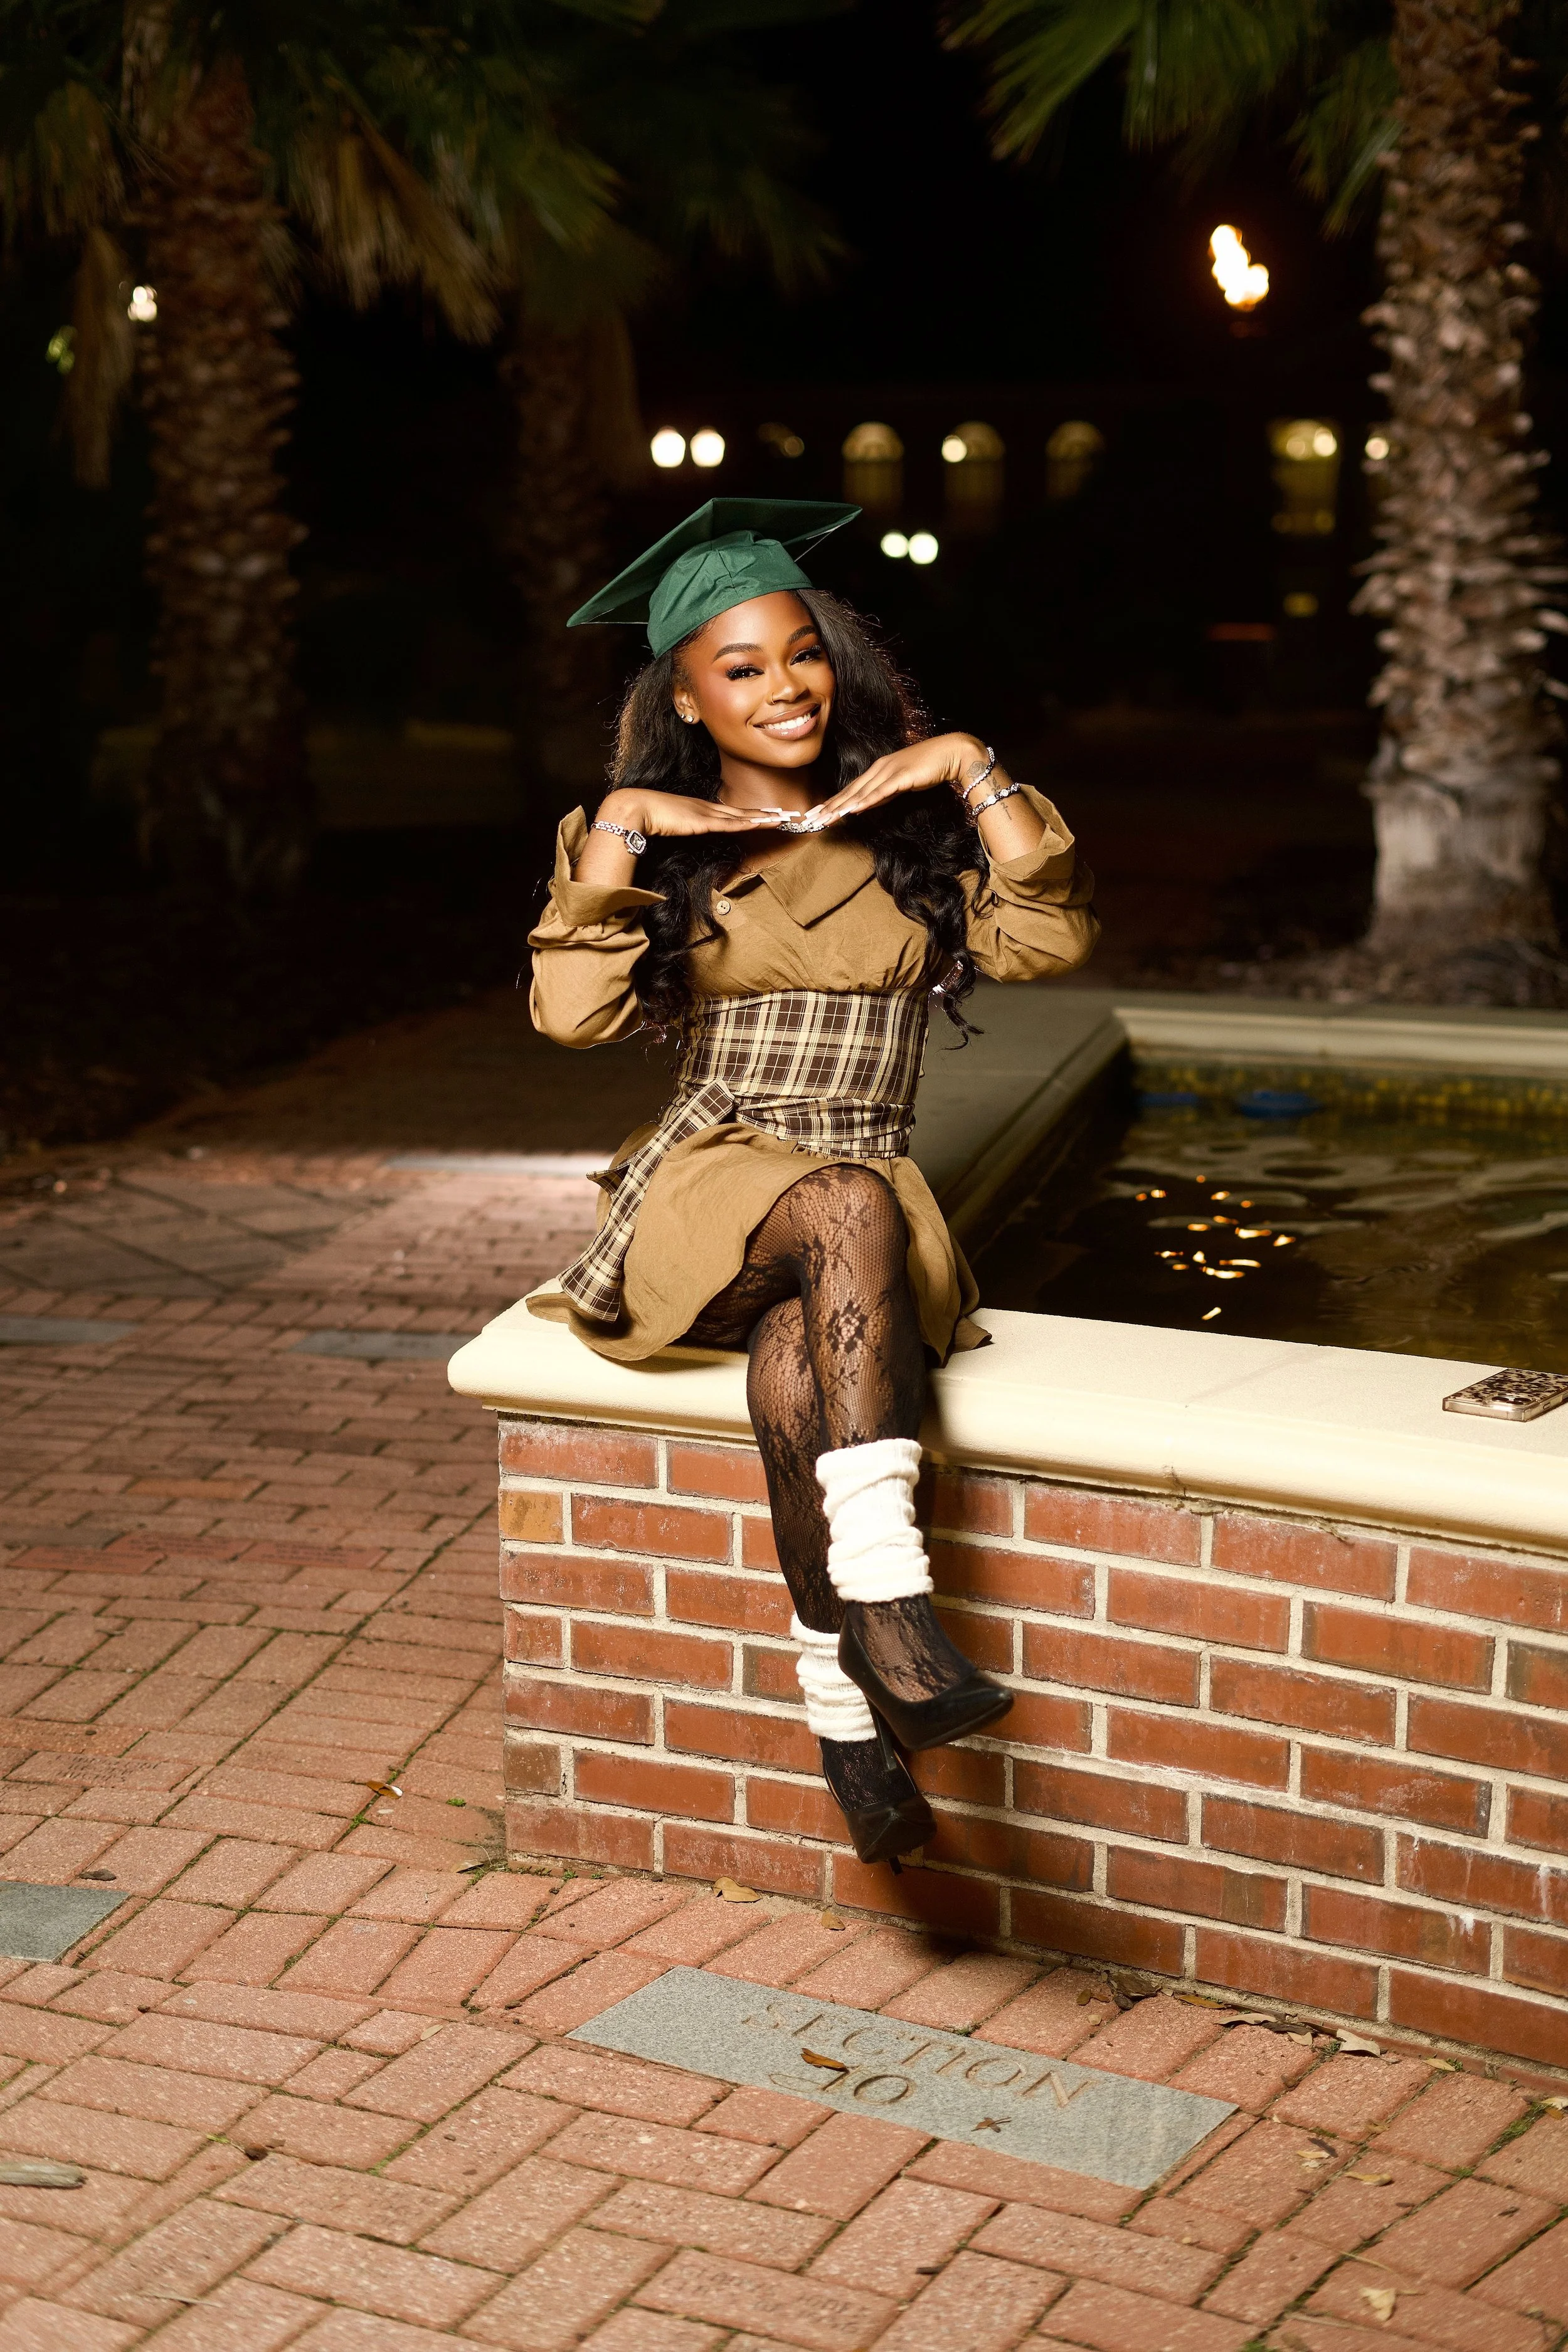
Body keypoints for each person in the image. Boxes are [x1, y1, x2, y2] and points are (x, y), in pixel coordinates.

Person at [529, 498, 1098, 1868]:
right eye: (740, 667)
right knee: (843, 1201)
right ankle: (893, 1608)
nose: (782, 687)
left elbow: (1049, 940)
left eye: (801, 654)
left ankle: (844, 1711)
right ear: (683, 694)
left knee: (800, 1361)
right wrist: (618, 824)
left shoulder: (904, 823)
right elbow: (567, 1020)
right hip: (714, 1177)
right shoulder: (651, 839)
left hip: (855, 1196)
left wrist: (965, 764)